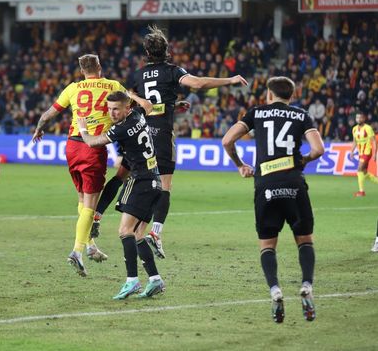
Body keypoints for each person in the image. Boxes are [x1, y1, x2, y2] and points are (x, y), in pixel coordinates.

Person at [94, 25, 247, 259]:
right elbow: (197, 83)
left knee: (121, 174)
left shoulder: (138, 74)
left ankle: (97, 216)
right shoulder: (173, 71)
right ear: (167, 50)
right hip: (161, 134)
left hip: (139, 133)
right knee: (164, 186)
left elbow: (130, 97)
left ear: (147, 52)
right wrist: (230, 79)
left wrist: (168, 104)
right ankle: (155, 233)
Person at [222, 76, 325, 323]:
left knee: (267, 245)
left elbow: (227, 140)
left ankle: (275, 290)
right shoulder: (301, 115)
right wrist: (303, 160)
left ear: (269, 94)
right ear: (292, 95)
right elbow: (318, 149)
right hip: (294, 184)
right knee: (304, 240)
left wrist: (240, 165)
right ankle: (306, 285)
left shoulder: (256, 113)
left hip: (265, 186)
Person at [32, 54, 126, 277]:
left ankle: (91, 246)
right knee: (90, 206)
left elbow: (48, 114)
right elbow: (129, 101)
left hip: (72, 147)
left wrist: (39, 128)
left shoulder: (73, 88)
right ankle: (77, 251)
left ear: (82, 70)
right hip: (93, 146)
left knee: (83, 200)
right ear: (99, 66)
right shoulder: (113, 86)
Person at [78, 90, 166, 299]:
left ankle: (132, 281)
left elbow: (92, 142)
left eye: (116, 109)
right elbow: (148, 105)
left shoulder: (122, 128)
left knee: (125, 231)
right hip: (155, 182)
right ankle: (155, 279)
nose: (112, 113)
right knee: (137, 235)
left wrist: (82, 128)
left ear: (127, 108)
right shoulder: (138, 115)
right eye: (109, 109)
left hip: (140, 181)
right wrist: (132, 96)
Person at [349, 112, 378, 197]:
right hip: (360, 153)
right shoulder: (354, 129)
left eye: (360, 118)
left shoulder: (368, 128)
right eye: (357, 118)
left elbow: (374, 141)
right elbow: (355, 141)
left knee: (359, 169)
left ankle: (361, 192)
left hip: (367, 152)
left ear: (364, 118)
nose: (358, 119)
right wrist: (351, 151)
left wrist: (374, 154)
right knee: (364, 172)